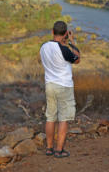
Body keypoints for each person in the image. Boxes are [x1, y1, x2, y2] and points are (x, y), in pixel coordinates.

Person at [40, 21, 80, 158]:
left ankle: (49, 148)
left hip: (49, 85)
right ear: (65, 34)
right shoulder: (64, 50)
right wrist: (72, 42)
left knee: (50, 117)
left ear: (52, 32)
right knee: (63, 118)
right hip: (64, 86)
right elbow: (77, 59)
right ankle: (59, 150)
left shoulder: (43, 47)